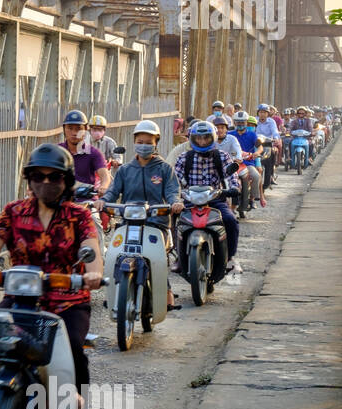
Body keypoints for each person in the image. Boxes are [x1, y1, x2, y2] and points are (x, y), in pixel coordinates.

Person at [0, 143, 104, 409]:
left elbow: (91, 247)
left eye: (54, 178)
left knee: (73, 348)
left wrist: (93, 272)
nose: (45, 184)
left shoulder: (78, 215)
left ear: (66, 180)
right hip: (20, 296)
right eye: (38, 177)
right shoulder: (14, 212)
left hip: (67, 300)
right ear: (29, 179)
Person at [97, 120, 183, 309]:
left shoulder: (164, 169)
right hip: (128, 222)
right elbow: (113, 191)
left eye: (148, 142)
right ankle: (115, 293)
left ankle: (165, 291)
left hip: (156, 222)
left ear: (155, 143)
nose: (144, 145)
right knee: (116, 254)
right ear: (134, 142)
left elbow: (171, 191)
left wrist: (175, 202)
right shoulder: (125, 170)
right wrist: (103, 200)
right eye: (140, 141)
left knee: (158, 258)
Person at [174, 120, 241, 272]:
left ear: (213, 138)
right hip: (190, 201)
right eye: (199, 138)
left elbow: (231, 175)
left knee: (230, 220)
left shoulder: (222, 156)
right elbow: (175, 179)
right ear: (193, 139)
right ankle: (179, 257)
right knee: (176, 221)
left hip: (215, 199)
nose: (202, 141)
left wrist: (235, 187)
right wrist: (175, 197)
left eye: (206, 138)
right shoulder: (184, 158)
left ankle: (230, 257)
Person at [60, 110, 110, 194]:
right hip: (60, 200)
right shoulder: (57, 151)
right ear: (64, 129)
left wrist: (103, 187)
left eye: (78, 128)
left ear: (86, 129)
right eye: (70, 128)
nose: (74, 133)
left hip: (85, 200)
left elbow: (105, 176)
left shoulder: (94, 153)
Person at [232, 112, 266, 207]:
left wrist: (256, 153)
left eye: (242, 122)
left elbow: (260, 147)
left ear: (246, 123)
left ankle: (252, 199)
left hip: (247, 164)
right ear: (234, 123)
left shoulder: (252, 135)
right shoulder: (230, 135)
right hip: (233, 164)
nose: (240, 125)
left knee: (256, 176)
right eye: (238, 122)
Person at [255, 104, 280, 183]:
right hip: (256, 144)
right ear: (258, 113)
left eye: (264, 112)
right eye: (261, 112)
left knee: (272, 153)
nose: (262, 114)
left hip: (268, 144)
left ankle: (271, 175)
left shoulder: (271, 122)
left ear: (268, 113)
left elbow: (275, 132)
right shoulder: (254, 120)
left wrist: (276, 138)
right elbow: (250, 130)